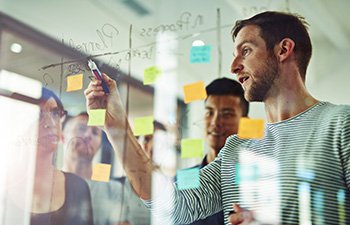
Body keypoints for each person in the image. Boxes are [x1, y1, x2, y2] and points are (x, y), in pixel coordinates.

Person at [84, 11, 350, 225]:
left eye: (245, 51)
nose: (234, 66)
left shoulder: (341, 124)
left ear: (283, 50)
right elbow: (175, 209)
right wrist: (117, 127)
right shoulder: (237, 148)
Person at [178, 78, 249, 225]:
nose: (215, 122)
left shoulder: (256, 179)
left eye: (227, 114)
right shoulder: (182, 180)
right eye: (209, 112)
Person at [31, 88, 94, 225]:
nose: (51, 122)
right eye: (40, 113)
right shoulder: (5, 183)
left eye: (55, 113)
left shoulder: (78, 187)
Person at [62, 112, 131, 225]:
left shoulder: (114, 190)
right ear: (62, 137)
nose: (88, 135)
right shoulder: (50, 184)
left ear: (99, 144)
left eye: (95, 132)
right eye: (81, 128)